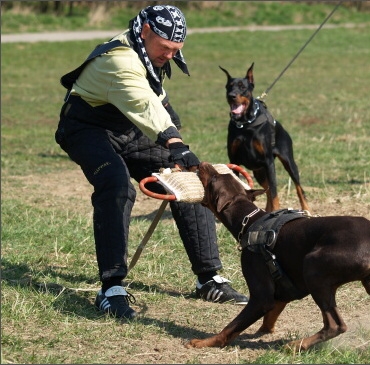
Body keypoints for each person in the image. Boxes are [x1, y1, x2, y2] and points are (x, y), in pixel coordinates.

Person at [55, 4, 248, 320]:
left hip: (130, 129)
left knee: (190, 179)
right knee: (116, 185)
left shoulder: (148, 51)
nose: (170, 56)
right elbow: (142, 102)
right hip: (87, 128)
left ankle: (209, 278)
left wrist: (177, 144)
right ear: (146, 32)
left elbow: (153, 94)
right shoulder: (118, 59)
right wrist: (174, 142)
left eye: (176, 51)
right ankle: (112, 288)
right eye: (166, 49)